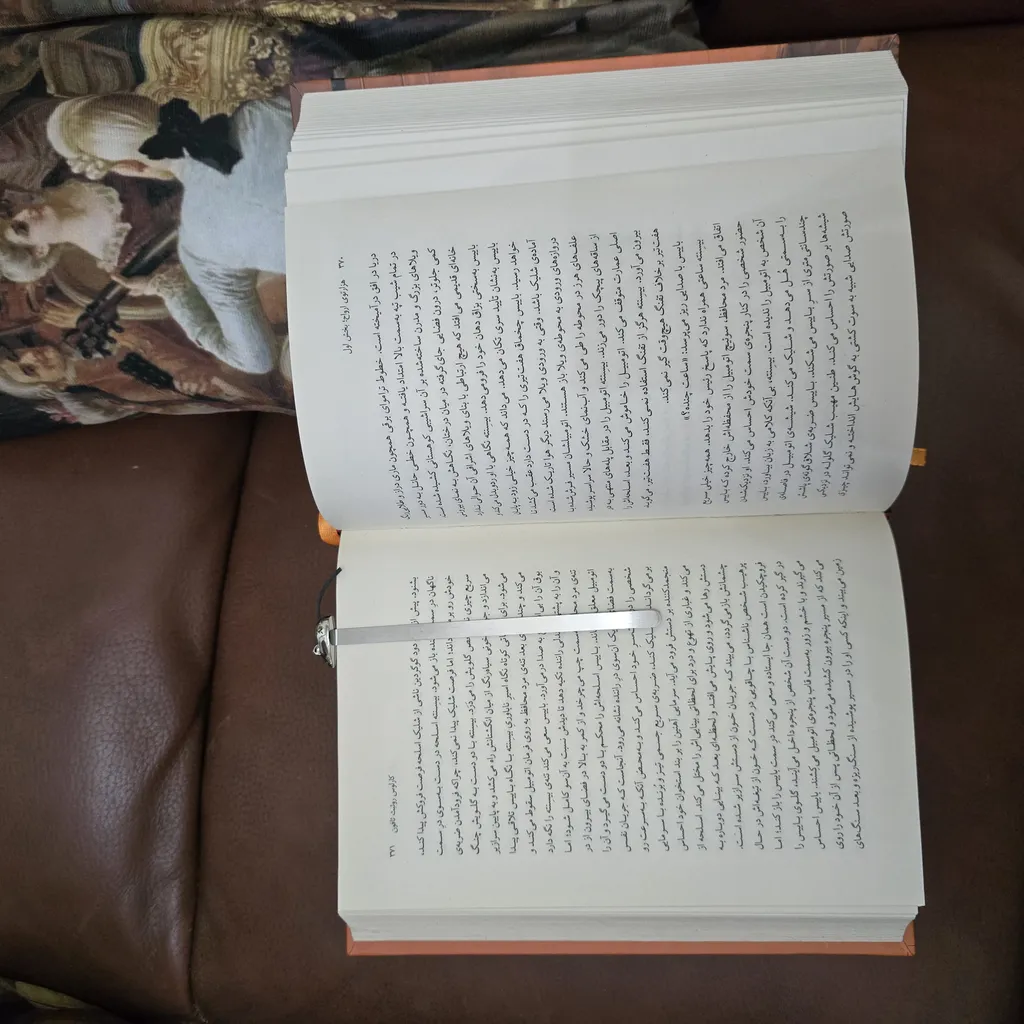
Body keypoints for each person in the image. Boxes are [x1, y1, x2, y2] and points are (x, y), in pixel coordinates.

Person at [46, 91, 291, 376]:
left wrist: (171, 291)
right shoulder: (258, 112)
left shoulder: (198, 248)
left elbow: (256, 359)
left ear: (128, 167)